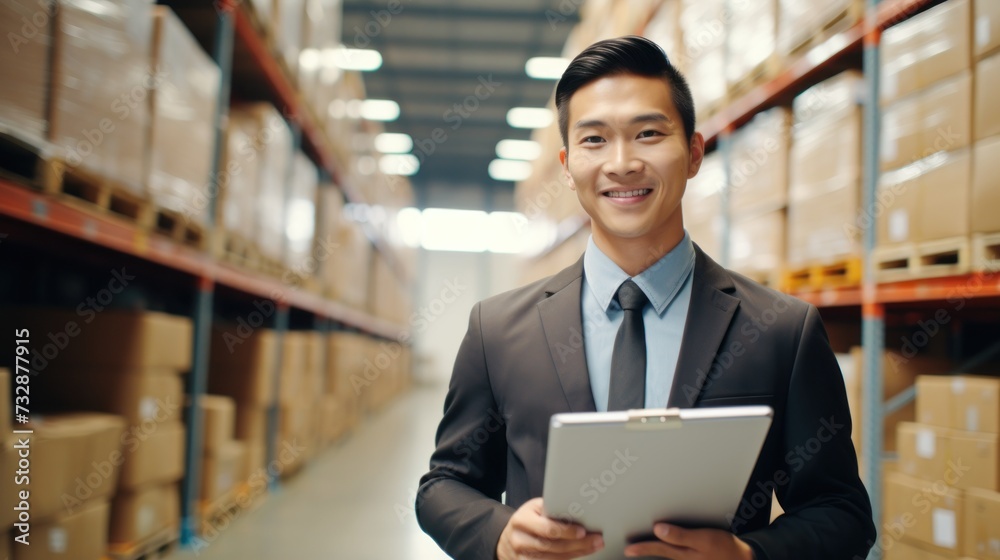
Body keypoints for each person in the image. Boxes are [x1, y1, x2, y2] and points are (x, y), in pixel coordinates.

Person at [416, 35, 876, 560]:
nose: (622, 163)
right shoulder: (498, 331)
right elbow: (443, 487)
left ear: (695, 152)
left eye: (649, 133)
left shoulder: (780, 330)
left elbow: (842, 515)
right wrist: (498, 533)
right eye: (594, 141)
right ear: (566, 166)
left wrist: (748, 556)